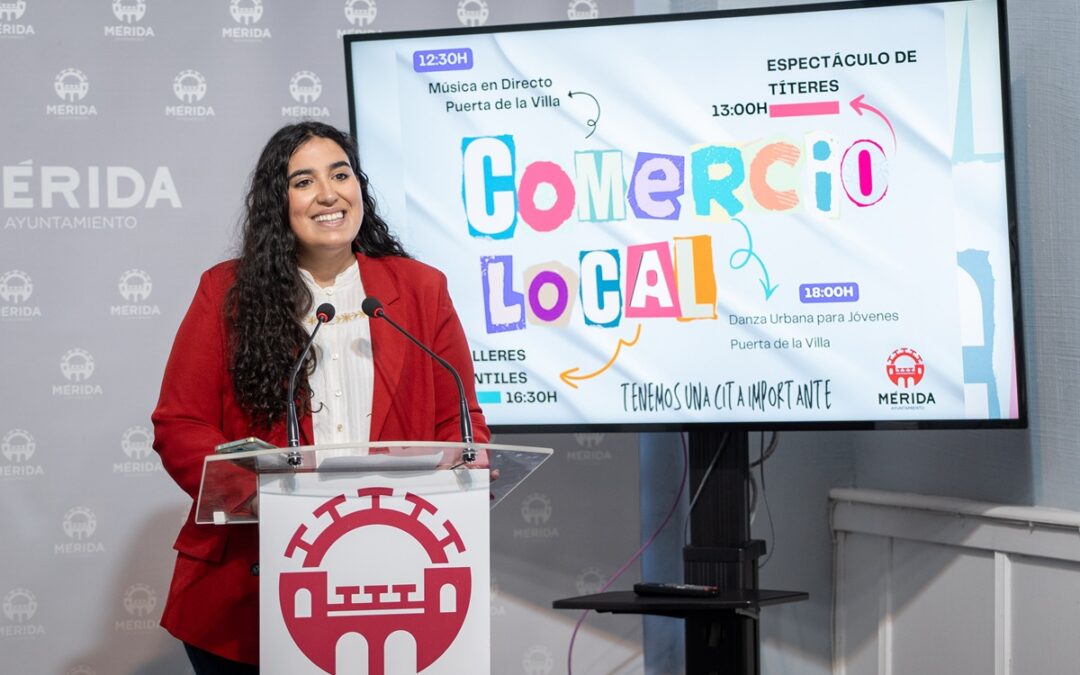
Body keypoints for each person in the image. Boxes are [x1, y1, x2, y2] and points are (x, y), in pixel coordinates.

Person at [151, 121, 490, 673]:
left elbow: (461, 420)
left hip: (392, 573)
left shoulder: (421, 289)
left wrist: (467, 470)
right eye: (303, 181)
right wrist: (260, 498)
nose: (329, 194)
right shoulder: (226, 291)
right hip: (251, 585)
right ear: (276, 202)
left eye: (341, 174)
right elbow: (180, 424)